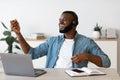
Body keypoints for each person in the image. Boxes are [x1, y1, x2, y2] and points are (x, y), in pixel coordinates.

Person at [10, 11, 111, 68]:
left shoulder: (86, 42)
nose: (60, 23)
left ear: (74, 24)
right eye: (59, 20)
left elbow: (106, 62)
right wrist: (18, 33)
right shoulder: (52, 41)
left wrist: (87, 56)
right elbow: (31, 54)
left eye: (64, 20)